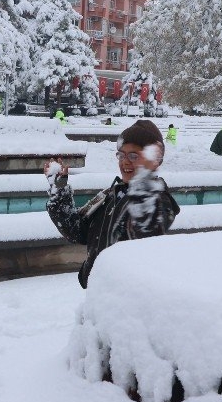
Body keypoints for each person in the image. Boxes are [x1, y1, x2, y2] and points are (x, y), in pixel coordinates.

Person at [44, 119, 180, 288]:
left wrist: (144, 178)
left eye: (134, 156)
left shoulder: (157, 200)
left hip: (124, 295)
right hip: (98, 291)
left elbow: (144, 235)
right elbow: (77, 230)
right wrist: (59, 191)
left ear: (153, 159)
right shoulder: (110, 195)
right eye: (121, 155)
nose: (125, 161)